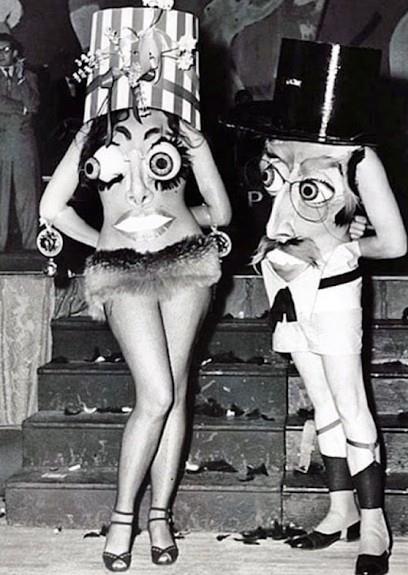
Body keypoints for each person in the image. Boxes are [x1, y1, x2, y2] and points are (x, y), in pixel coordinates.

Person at [39, 3, 231, 571]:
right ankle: (124, 514)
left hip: (187, 264)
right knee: (157, 394)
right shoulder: (93, 131)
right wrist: (105, 238)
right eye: (132, 54)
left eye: (155, 54)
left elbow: (220, 211)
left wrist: (197, 154)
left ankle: (160, 514)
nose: (144, 64)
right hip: (120, 270)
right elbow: (52, 208)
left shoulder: (180, 127)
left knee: (176, 388)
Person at [224, 40, 407, 575]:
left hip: (333, 292)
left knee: (350, 403)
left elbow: (394, 243)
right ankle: (339, 510)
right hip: (284, 288)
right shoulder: (276, 146)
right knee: (320, 403)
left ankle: (374, 526)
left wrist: (339, 246)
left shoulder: (357, 158)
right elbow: (275, 215)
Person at [0, 21, 40, 251]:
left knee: (27, 196)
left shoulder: (29, 76)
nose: (1, 55)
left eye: (5, 50)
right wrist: (20, 108)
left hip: (24, 145)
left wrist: (22, 78)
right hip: (2, 143)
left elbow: (33, 105)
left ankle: (31, 246)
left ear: (15, 53)